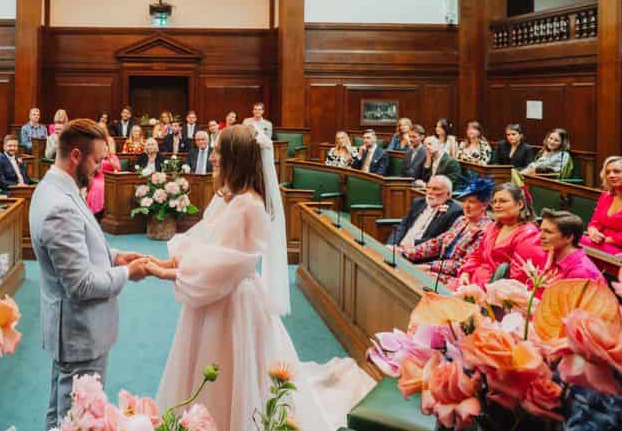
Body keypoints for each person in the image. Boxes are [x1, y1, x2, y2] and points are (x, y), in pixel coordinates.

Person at [146, 125, 373, 431]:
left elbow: (226, 264)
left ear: (234, 158)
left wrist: (166, 273)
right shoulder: (227, 197)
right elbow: (203, 238)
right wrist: (170, 259)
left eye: (218, 152)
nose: (212, 157)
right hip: (214, 295)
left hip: (234, 300)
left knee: (233, 371)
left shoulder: (251, 206)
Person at [29, 118, 149, 430]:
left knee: (61, 415)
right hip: (80, 332)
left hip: (75, 330)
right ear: (77, 156)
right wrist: (126, 272)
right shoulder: (59, 204)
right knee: (76, 421)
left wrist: (115, 256)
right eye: (97, 160)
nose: (99, 168)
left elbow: (81, 248)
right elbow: (80, 284)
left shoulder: (54, 187)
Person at [402, 177, 491, 287]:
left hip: (458, 278)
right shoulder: (461, 220)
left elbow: (464, 264)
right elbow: (438, 243)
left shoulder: (486, 229)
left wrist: (430, 266)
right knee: (402, 269)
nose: (466, 206)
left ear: (484, 205)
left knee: (411, 277)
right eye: (464, 201)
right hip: (438, 267)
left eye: (471, 202)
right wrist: (406, 253)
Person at [458, 182, 546, 287]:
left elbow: (520, 279)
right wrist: (466, 272)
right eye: (494, 202)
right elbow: (477, 254)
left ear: (520, 204)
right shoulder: (494, 227)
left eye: (503, 201)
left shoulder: (529, 235)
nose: (497, 205)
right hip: (472, 282)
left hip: (495, 294)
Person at [386, 175, 463, 248]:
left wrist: (412, 244)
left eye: (435, 189)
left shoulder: (454, 212)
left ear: (448, 194)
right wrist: (391, 244)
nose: (430, 192)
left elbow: (440, 241)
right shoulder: (418, 203)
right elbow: (403, 225)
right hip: (397, 248)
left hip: (418, 253)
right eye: (428, 188)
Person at [539, 209, 604, 283]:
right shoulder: (550, 255)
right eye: (540, 230)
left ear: (568, 237)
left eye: (548, 232)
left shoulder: (582, 272)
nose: (540, 236)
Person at [86, 129, 121, 219]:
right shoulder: (96, 157)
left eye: (107, 146)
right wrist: (101, 159)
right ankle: (97, 211)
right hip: (98, 177)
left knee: (109, 185)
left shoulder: (113, 157)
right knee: (98, 185)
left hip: (111, 178)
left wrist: (109, 159)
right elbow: (96, 170)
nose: (105, 148)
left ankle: (107, 211)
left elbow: (118, 168)